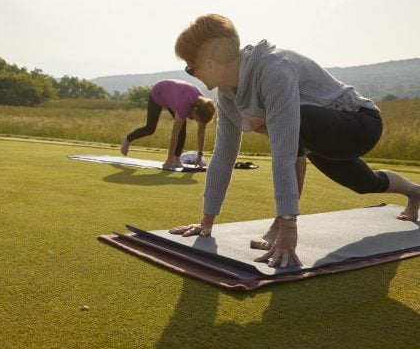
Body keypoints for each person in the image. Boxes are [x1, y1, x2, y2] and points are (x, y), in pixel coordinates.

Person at [169, 14, 420, 268]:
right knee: (366, 183)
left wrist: (288, 227)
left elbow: (284, 151)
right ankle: (416, 192)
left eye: (191, 67)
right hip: (317, 136)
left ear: (210, 64)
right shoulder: (226, 95)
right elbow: (223, 155)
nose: (192, 74)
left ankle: (281, 226)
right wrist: (206, 222)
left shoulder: (273, 69)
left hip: (360, 124)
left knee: (291, 130)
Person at [121, 79, 216, 170]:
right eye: (197, 119)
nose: (196, 121)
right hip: (159, 92)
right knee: (150, 128)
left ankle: (177, 159)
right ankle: (127, 139)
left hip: (173, 95)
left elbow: (201, 132)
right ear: (195, 110)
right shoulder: (184, 104)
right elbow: (175, 134)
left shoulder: (204, 107)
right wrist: (168, 161)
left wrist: (199, 156)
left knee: (183, 125)